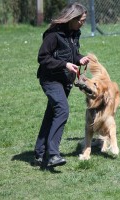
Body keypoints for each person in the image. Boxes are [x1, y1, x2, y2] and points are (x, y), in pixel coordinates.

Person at [34, 2, 89, 167]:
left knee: (52, 114)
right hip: (50, 79)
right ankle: (53, 155)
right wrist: (64, 64)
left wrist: (79, 59)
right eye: (81, 20)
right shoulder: (53, 34)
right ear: (72, 18)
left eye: (84, 20)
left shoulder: (74, 33)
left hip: (65, 81)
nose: (83, 23)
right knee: (62, 110)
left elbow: (71, 54)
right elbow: (43, 58)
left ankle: (39, 154)